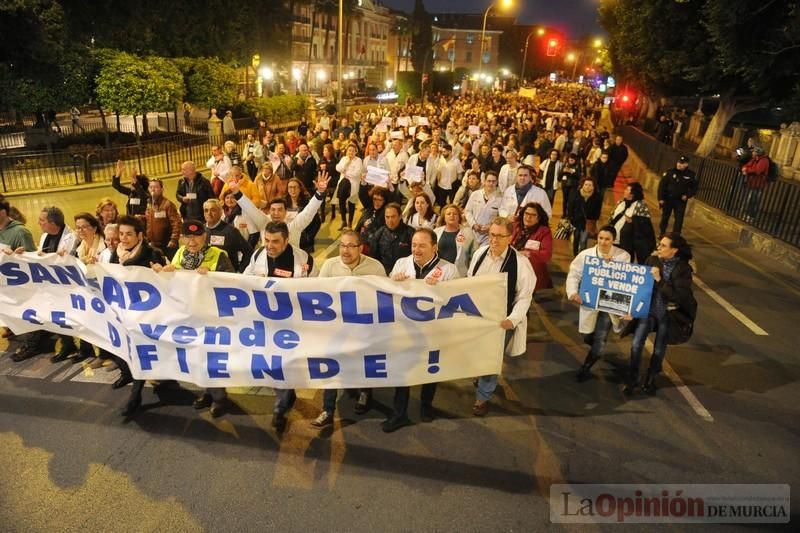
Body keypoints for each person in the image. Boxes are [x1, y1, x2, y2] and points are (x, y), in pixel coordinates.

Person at [151, 219, 234, 416]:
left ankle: (219, 398)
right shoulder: (180, 254)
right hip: (188, 317)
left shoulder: (218, 255)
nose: (192, 241)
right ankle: (207, 392)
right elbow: (172, 281)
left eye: (196, 236)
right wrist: (164, 271)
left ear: (205, 237)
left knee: (212, 358)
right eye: (188, 237)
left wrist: (212, 276)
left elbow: (232, 283)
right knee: (197, 357)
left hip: (211, 317)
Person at [243, 221, 317, 432]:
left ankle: (279, 409)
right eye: (266, 240)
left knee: (283, 364)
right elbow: (245, 280)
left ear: (286, 240)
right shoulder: (258, 256)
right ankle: (286, 396)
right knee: (273, 364)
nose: (269, 245)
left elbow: (317, 288)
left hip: (291, 324)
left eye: (275, 241)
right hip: (265, 323)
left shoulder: (303, 260)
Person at [383, 228, 460, 432]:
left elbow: (456, 302)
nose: (416, 249)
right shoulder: (402, 264)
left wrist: (440, 290)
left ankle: (426, 406)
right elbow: (389, 296)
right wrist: (394, 283)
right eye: (414, 245)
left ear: (434, 247)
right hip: (405, 330)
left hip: (434, 331)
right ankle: (399, 413)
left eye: (422, 245)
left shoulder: (449, 270)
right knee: (403, 370)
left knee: (431, 370)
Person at [310, 230, 387, 427]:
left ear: (360, 248)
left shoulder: (375, 267)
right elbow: (319, 295)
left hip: (364, 328)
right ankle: (327, 410)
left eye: (351, 246)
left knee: (364, 362)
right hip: (337, 328)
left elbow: (385, 297)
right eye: (342, 245)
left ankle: (364, 392)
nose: (345, 250)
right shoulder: (329, 266)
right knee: (331, 365)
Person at [467, 217, 536, 416]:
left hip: (501, 321)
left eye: (499, 236)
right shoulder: (480, 253)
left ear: (510, 237)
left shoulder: (521, 264)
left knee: (492, 358)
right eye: (491, 235)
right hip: (477, 316)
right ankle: (480, 376)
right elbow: (470, 282)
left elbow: (524, 297)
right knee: (477, 352)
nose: (494, 240)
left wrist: (512, 320)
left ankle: (482, 397)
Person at [107, 216, 167, 417]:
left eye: (128, 234)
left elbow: (166, 283)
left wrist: (163, 272)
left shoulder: (153, 253)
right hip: (123, 312)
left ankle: (135, 394)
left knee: (140, 352)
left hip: (146, 315)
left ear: (140, 235)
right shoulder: (114, 254)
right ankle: (128, 374)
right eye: (121, 234)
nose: (123, 238)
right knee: (119, 348)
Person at [623, 233, 696, 396]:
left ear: (674, 250)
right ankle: (632, 378)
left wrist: (659, 280)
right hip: (648, 310)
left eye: (663, 246)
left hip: (668, 313)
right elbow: (639, 286)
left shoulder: (683, 270)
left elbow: (679, 296)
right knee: (636, 345)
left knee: (658, 348)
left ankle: (650, 378)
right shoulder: (652, 261)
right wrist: (632, 309)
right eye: (659, 244)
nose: (659, 248)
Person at [566, 225, 631, 382]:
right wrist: (573, 292)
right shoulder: (585, 255)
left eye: (607, 239)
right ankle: (593, 343)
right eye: (600, 238)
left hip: (609, 305)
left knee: (600, 338)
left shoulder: (623, 256)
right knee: (586, 334)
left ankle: (586, 367)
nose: (603, 242)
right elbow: (574, 274)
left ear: (613, 240)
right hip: (590, 302)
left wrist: (612, 266)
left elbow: (628, 281)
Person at [231, 171, 329, 250]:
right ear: (269, 211)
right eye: (273, 210)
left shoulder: (294, 226)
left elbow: (309, 212)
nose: (276, 213)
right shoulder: (264, 223)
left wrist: (319, 193)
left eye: (280, 210)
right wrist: (237, 193)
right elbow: (251, 209)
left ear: (286, 212)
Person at [609, 182, 657, 264]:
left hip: (627, 243)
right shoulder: (621, 202)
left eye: (627, 189)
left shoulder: (640, 205)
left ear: (633, 194)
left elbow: (645, 225)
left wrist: (633, 221)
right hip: (614, 240)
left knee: (625, 263)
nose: (624, 191)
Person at [511, 202, 553, 292]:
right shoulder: (515, 226)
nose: (528, 217)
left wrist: (527, 254)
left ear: (538, 218)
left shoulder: (544, 231)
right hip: (511, 265)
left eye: (533, 215)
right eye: (526, 213)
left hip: (530, 271)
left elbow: (547, 254)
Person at [203, 199, 253, 273]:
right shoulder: (200, 230)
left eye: (213, 210)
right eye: (206, 210)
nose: (209, 213)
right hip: (205, 275)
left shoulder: (231, 231)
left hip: (227, 276)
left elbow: (249, 252)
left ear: (221, 212)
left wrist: (240, 271)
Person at [367, 202, 414, 274]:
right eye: (387, 217)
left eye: (393, 217)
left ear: (400, 216)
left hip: (404, 273)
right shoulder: (379, 233)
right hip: (384, 273)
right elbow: (373, 258)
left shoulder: (410, 233)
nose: (390, 220)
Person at [657, 155, 697, 235]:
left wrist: (687, 195)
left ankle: (676, 234)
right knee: (665, 217)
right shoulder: (670, 172)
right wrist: (661, 198)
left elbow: (694, 188)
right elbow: (662, 186)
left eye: (682, 163)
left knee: (679, 218)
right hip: (668, 198)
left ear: (686, 164)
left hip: (680, 200)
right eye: (678, 162)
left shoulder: (690, 175)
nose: (679, 164)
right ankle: (662, 233)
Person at [434, 204, 476, 277]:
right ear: (444, 217)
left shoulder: (468, 232)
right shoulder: (436, 232)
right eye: (448, 214)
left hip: (461, 272)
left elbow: (474, 254)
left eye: (455, 214)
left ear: (459, 217)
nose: (452, 216)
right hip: (439, 272)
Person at [144, 178, 181, 260]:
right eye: (151, 187)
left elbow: (176, 223)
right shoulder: (149, 205)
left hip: (168, 244)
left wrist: (173, 240)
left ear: (161, 189)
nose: (153, 189)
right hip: (154, 245)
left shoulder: (168, 204)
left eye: (156, 187)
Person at [567, 178, 603, 256]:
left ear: (593, 187)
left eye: (590, 185)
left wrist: (593, 221)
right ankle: (575, 254)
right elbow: (570, 206)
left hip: (587, 223)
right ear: (582, 185)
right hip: (576, 221)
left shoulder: (597, 197)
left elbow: (598, 211)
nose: (587, 187)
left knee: (583, 240)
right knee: (576, 238)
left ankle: (581, 255)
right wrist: (570, 217)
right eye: (586, 184)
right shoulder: (575, 194)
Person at [335, 144, 363, 229]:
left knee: (351, 203)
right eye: (349, 150)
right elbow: (338, 168)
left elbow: (357, 173)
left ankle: (350, 222)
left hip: (353, 184)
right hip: (343, 183)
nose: (351, 152)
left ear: (356, 152)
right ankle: (343, 220)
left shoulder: (358, 160)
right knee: (341, 200)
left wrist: (346, 173)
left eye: (352, 150)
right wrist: (346, 165)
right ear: (347, 151)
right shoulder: (344, 159)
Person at [741, 146, 770, 221]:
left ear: (758, 153)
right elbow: (746, 165)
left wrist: (746, 170)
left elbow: (757, 171)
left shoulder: (764, 161)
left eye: (754, 152)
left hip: (758, 184)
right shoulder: (754, 159)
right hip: (752, 182)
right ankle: (746, 213)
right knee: (750, 198)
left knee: (754, 200)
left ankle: (751, 216)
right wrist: (745, 168)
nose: (752, 153)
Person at [559, 153, 582, 218]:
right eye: (570, 159)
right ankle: (564, 213)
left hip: (573, 185)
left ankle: (570, 214)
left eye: (572, 159)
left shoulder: (577, 166)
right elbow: (559, 177)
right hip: (565, 185)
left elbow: (579, 177)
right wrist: (563, 171)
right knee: (565, 200)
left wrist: (573, 172)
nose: (571, 161)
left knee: (571, 200)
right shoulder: (565, 165)